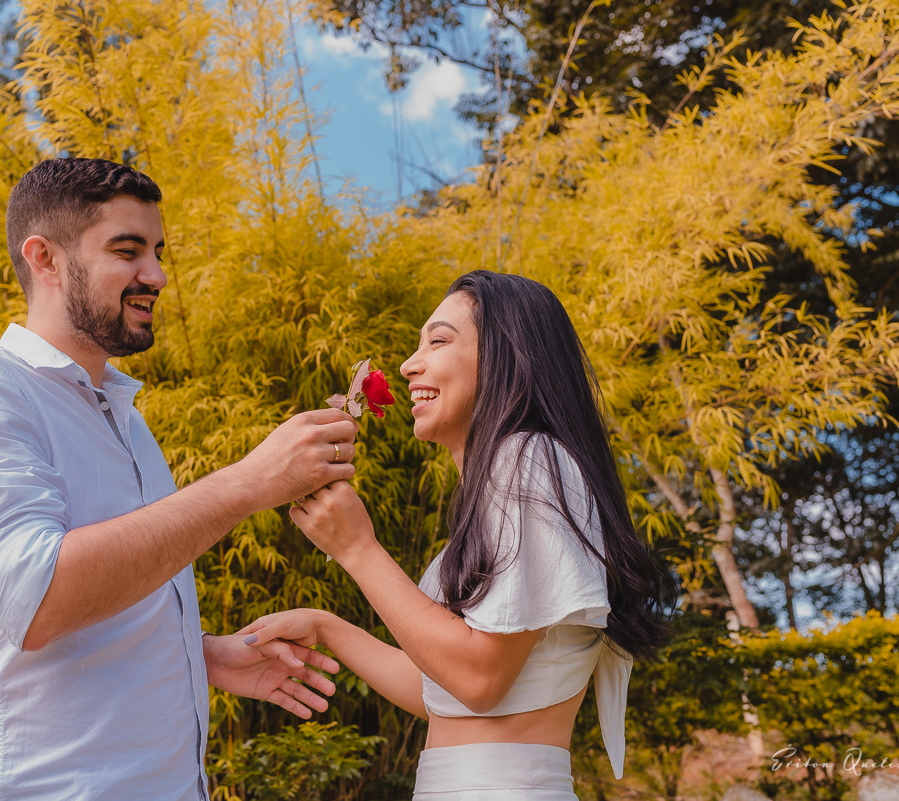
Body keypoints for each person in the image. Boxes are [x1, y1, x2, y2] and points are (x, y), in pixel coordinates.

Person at [0, 157, 357, 800]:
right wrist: (249, 483)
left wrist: (194, 651)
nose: (157, 275)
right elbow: (38, 598)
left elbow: (104, 593)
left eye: (158, 251)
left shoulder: (126, 420)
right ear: (45, 259)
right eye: (127, 250)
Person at [240, 270, 678, 800]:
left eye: (439, 340)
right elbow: (443, 687)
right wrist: (326, 627)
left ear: (506, 359)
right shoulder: (509, 485)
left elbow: (479, 682)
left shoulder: (527, 459)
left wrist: (358, 549)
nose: (407, 364)